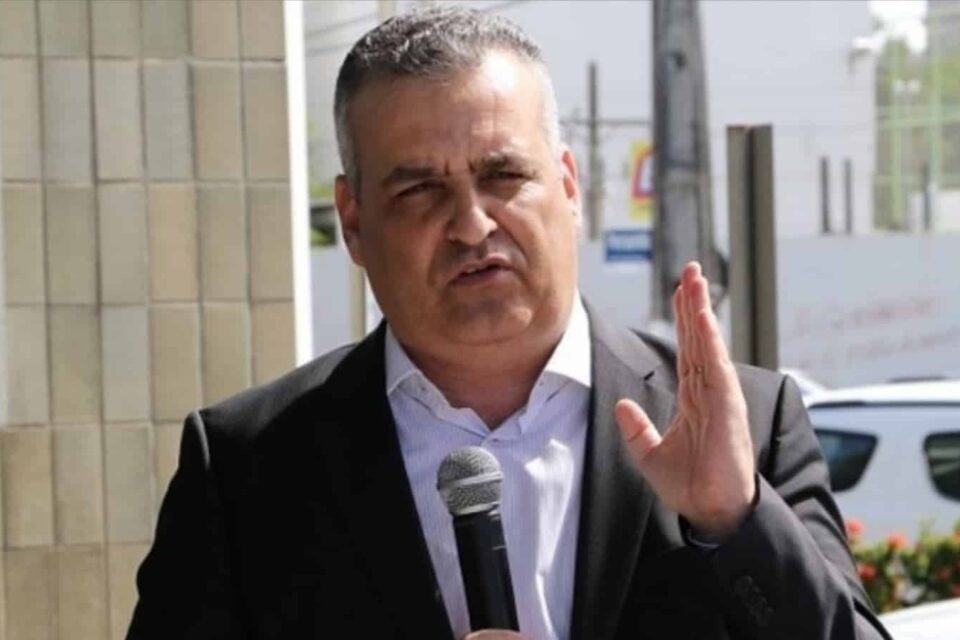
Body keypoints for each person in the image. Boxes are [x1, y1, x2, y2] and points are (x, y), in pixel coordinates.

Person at [128, 7, 891, 640]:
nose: (471, 224)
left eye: (503, 175)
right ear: (353, 221)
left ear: (568, 184)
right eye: (420, 190)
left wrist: (736, 518)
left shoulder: (746, 429)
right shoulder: (247, 470)